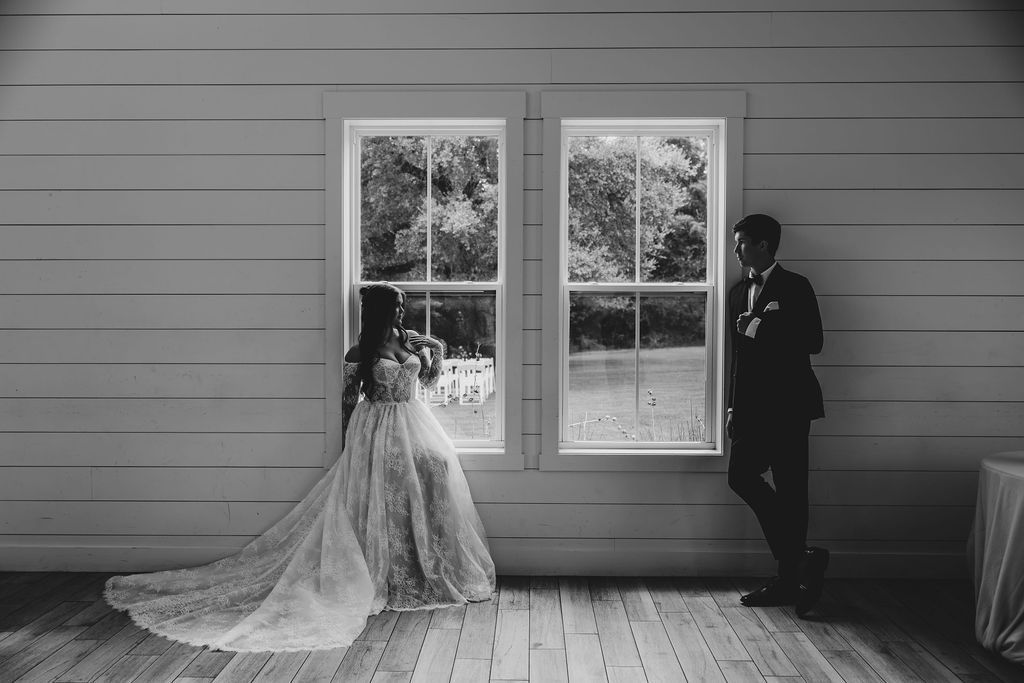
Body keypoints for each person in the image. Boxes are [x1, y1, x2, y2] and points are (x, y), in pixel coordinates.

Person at [104, 282, 495, 652]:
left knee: (436, 470)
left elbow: (426, 381)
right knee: (385, 497)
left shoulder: (408, 340)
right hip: (375, 426)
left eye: (401, 305)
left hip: (413, 421)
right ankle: (386, 571)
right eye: (393, 306)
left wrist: (434, 351)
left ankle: (427, 564)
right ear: (377, 311)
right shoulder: (359, 352)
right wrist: (351, 445)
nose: (400, 311)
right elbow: (347, 401)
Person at [726, 214, 829, 617]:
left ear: (764, 245)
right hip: (751, 409)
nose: (736, 251)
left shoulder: (796, 286)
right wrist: (734, 405)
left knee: (791, 491)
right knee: (740, 476)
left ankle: (790, 581)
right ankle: (803, 558)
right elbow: (740, 360)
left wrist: (759, 329)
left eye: (742, 243)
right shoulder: (738, 292)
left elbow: (813, 342)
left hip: (790, 407)